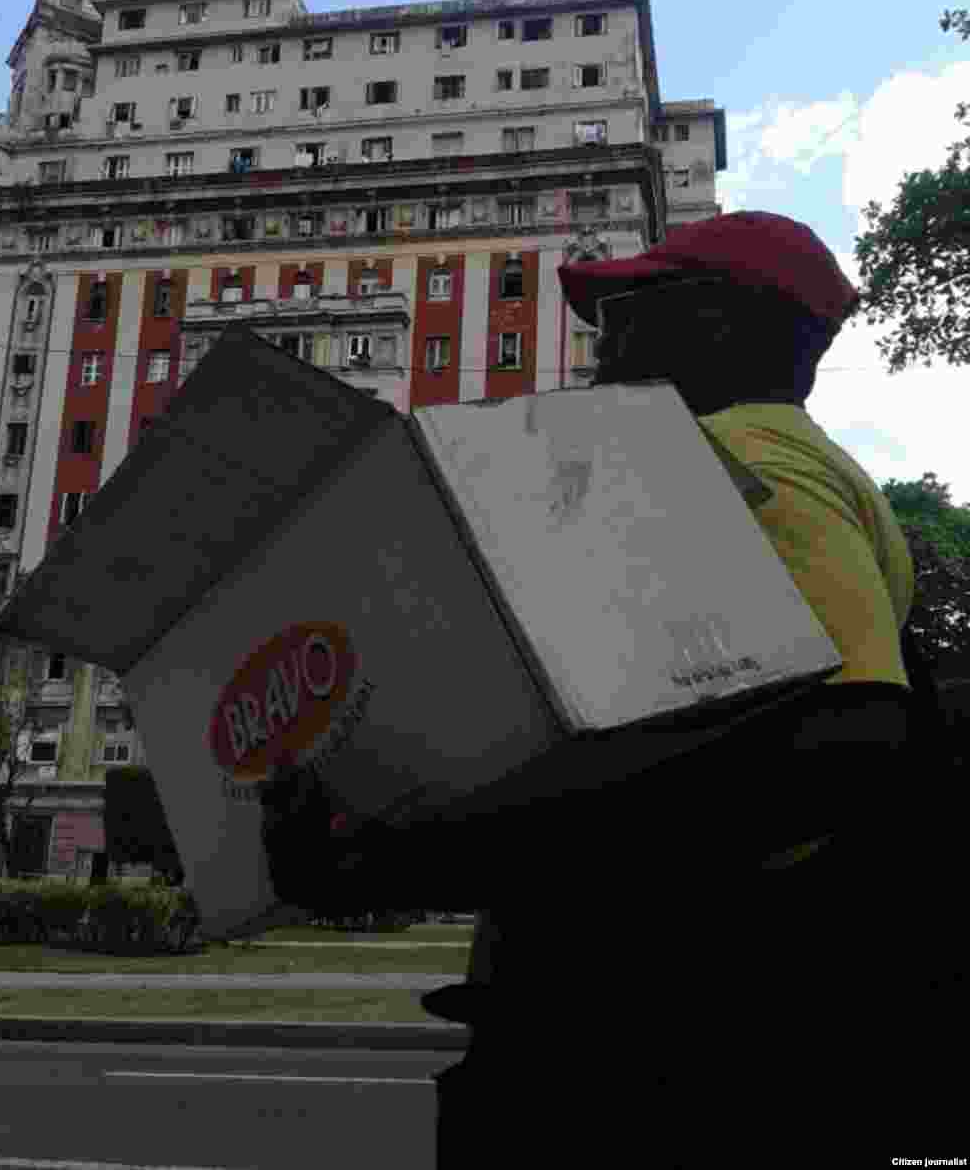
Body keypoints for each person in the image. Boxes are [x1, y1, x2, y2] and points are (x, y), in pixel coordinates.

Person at [261, 212, 963, 1165]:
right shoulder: (771, 465)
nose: (603, 343)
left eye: (625, 311)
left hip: (665, 1059)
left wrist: (427, 852)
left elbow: (845, 735)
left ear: (715, 324)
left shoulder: (750, 462)